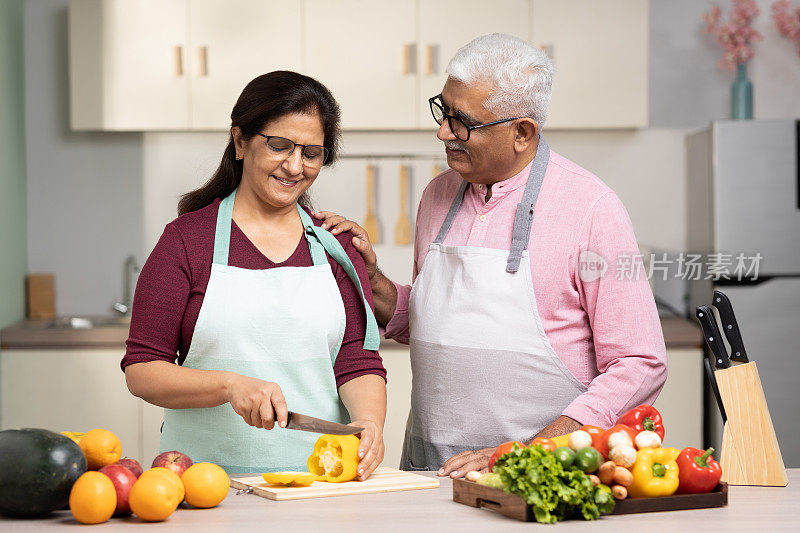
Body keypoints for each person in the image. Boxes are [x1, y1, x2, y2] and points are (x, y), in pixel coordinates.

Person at [316, 34, 667, 476]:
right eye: (443, 111)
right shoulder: (437, 195)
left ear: (522, 133)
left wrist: (532, 451)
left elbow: (640, 362)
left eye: (462, 122)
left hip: (538, 473)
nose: (443, 132)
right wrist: (372, 279)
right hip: (429, 471)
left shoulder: (593, 208)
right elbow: (431, 320)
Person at [122, 71, 387, 478]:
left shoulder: (336, 247)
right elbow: (142, 370)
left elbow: (357, 361)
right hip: (204, 487)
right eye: (279, 146)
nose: (295, 166)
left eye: (312, 153)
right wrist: (229, 386)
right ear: (241, 141)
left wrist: (369, 422)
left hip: (320, 484)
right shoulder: (186, 241)